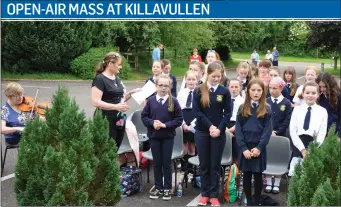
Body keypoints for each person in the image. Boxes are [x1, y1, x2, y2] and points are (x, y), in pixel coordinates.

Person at [193, 62, 232, 206]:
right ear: (207, 74)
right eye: (214, 76)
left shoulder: (224, 91)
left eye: (219, 76)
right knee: (204, 165)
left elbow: (228, 114)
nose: (216, 79)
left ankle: (214, 195)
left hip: (219, 133)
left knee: (215, 165)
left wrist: (219, 129)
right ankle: (205, 194)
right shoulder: (198, 90)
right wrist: (210, 127)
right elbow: (197, 112)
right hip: (202, 132)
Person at [141, 74, 183, 201]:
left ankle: (167, 188)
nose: (163, 88)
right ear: (156, 86)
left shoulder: (173, 101)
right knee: (157, 163)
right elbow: (144, 117)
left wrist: (165, 125)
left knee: (166, 163)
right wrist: (152, 123)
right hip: (154, 137)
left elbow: (179, 119)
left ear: (170, 87)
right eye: (160, 85)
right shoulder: (151, 101)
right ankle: (158, 187)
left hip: (167, 137)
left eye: (166, 86)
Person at [91, 52, 140, 150]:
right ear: (110, 64)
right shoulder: (100, 79)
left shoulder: (116, 78)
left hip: (120, 119)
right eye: (119, 65)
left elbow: (119, 99)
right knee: (106, 149)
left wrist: (130, 93)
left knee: (116, 147)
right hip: (106, 120)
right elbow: (95, 102)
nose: (121, 67)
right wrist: (116, 107)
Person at [235, 78, 273, 206]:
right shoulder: (242, 108)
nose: (256, 93)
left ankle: (256, 201)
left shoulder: (267, 109)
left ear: (263, 92)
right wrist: (243, 148)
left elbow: (267, 131)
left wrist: (259, 148)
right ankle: (249, 201)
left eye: (259, 90)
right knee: (246, 175)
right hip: (245, 148)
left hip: (258, 149)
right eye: (253, 90)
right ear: (248, 91)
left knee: (257, 176)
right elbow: (238, 130)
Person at [289, 82, 328, 177]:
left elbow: (322, 133)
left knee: (310, 176)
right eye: (307, 93)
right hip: (298, 144)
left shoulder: (322, 111)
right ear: (303, 94)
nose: (310, 95)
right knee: (295, 174)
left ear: (318, 95)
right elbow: (293, 131)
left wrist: (311, 149)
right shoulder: (297, 110)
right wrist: (302, 150)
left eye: (313, 93)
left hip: (314, 145)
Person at [264, 77, 292, 194]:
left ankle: (277, 184)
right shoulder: (266, 101)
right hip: (267, 134)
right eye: (270, 88)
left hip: (281, 135)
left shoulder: (286, 103)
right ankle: (269, 182)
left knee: (278, 157)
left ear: (281, 88)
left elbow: (287, 119)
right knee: (269, 157)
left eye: (275, 88)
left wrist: (277, 131)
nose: (272, 90)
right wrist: (269, 131)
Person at [177, 71, 198, 169]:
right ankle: (184, 167)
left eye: (193, 79)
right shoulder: (181, 93)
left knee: (192, 145)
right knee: (185, 145)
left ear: (197, 81)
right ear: (185, 81)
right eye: (189, 79)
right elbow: (178, 110)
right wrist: (184, 124)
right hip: (184, 119)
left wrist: (192, 126)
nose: (191, 81)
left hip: (195, 120)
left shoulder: (199, 93)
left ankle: (191, 168)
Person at [316, 72, 341, 136]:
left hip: (335, 131)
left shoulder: (338, 96)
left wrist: (339, 135)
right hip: (321, 131)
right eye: (320, 86)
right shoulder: (319, 96)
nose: (322, 89)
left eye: (324, 87)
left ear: (330, 85)